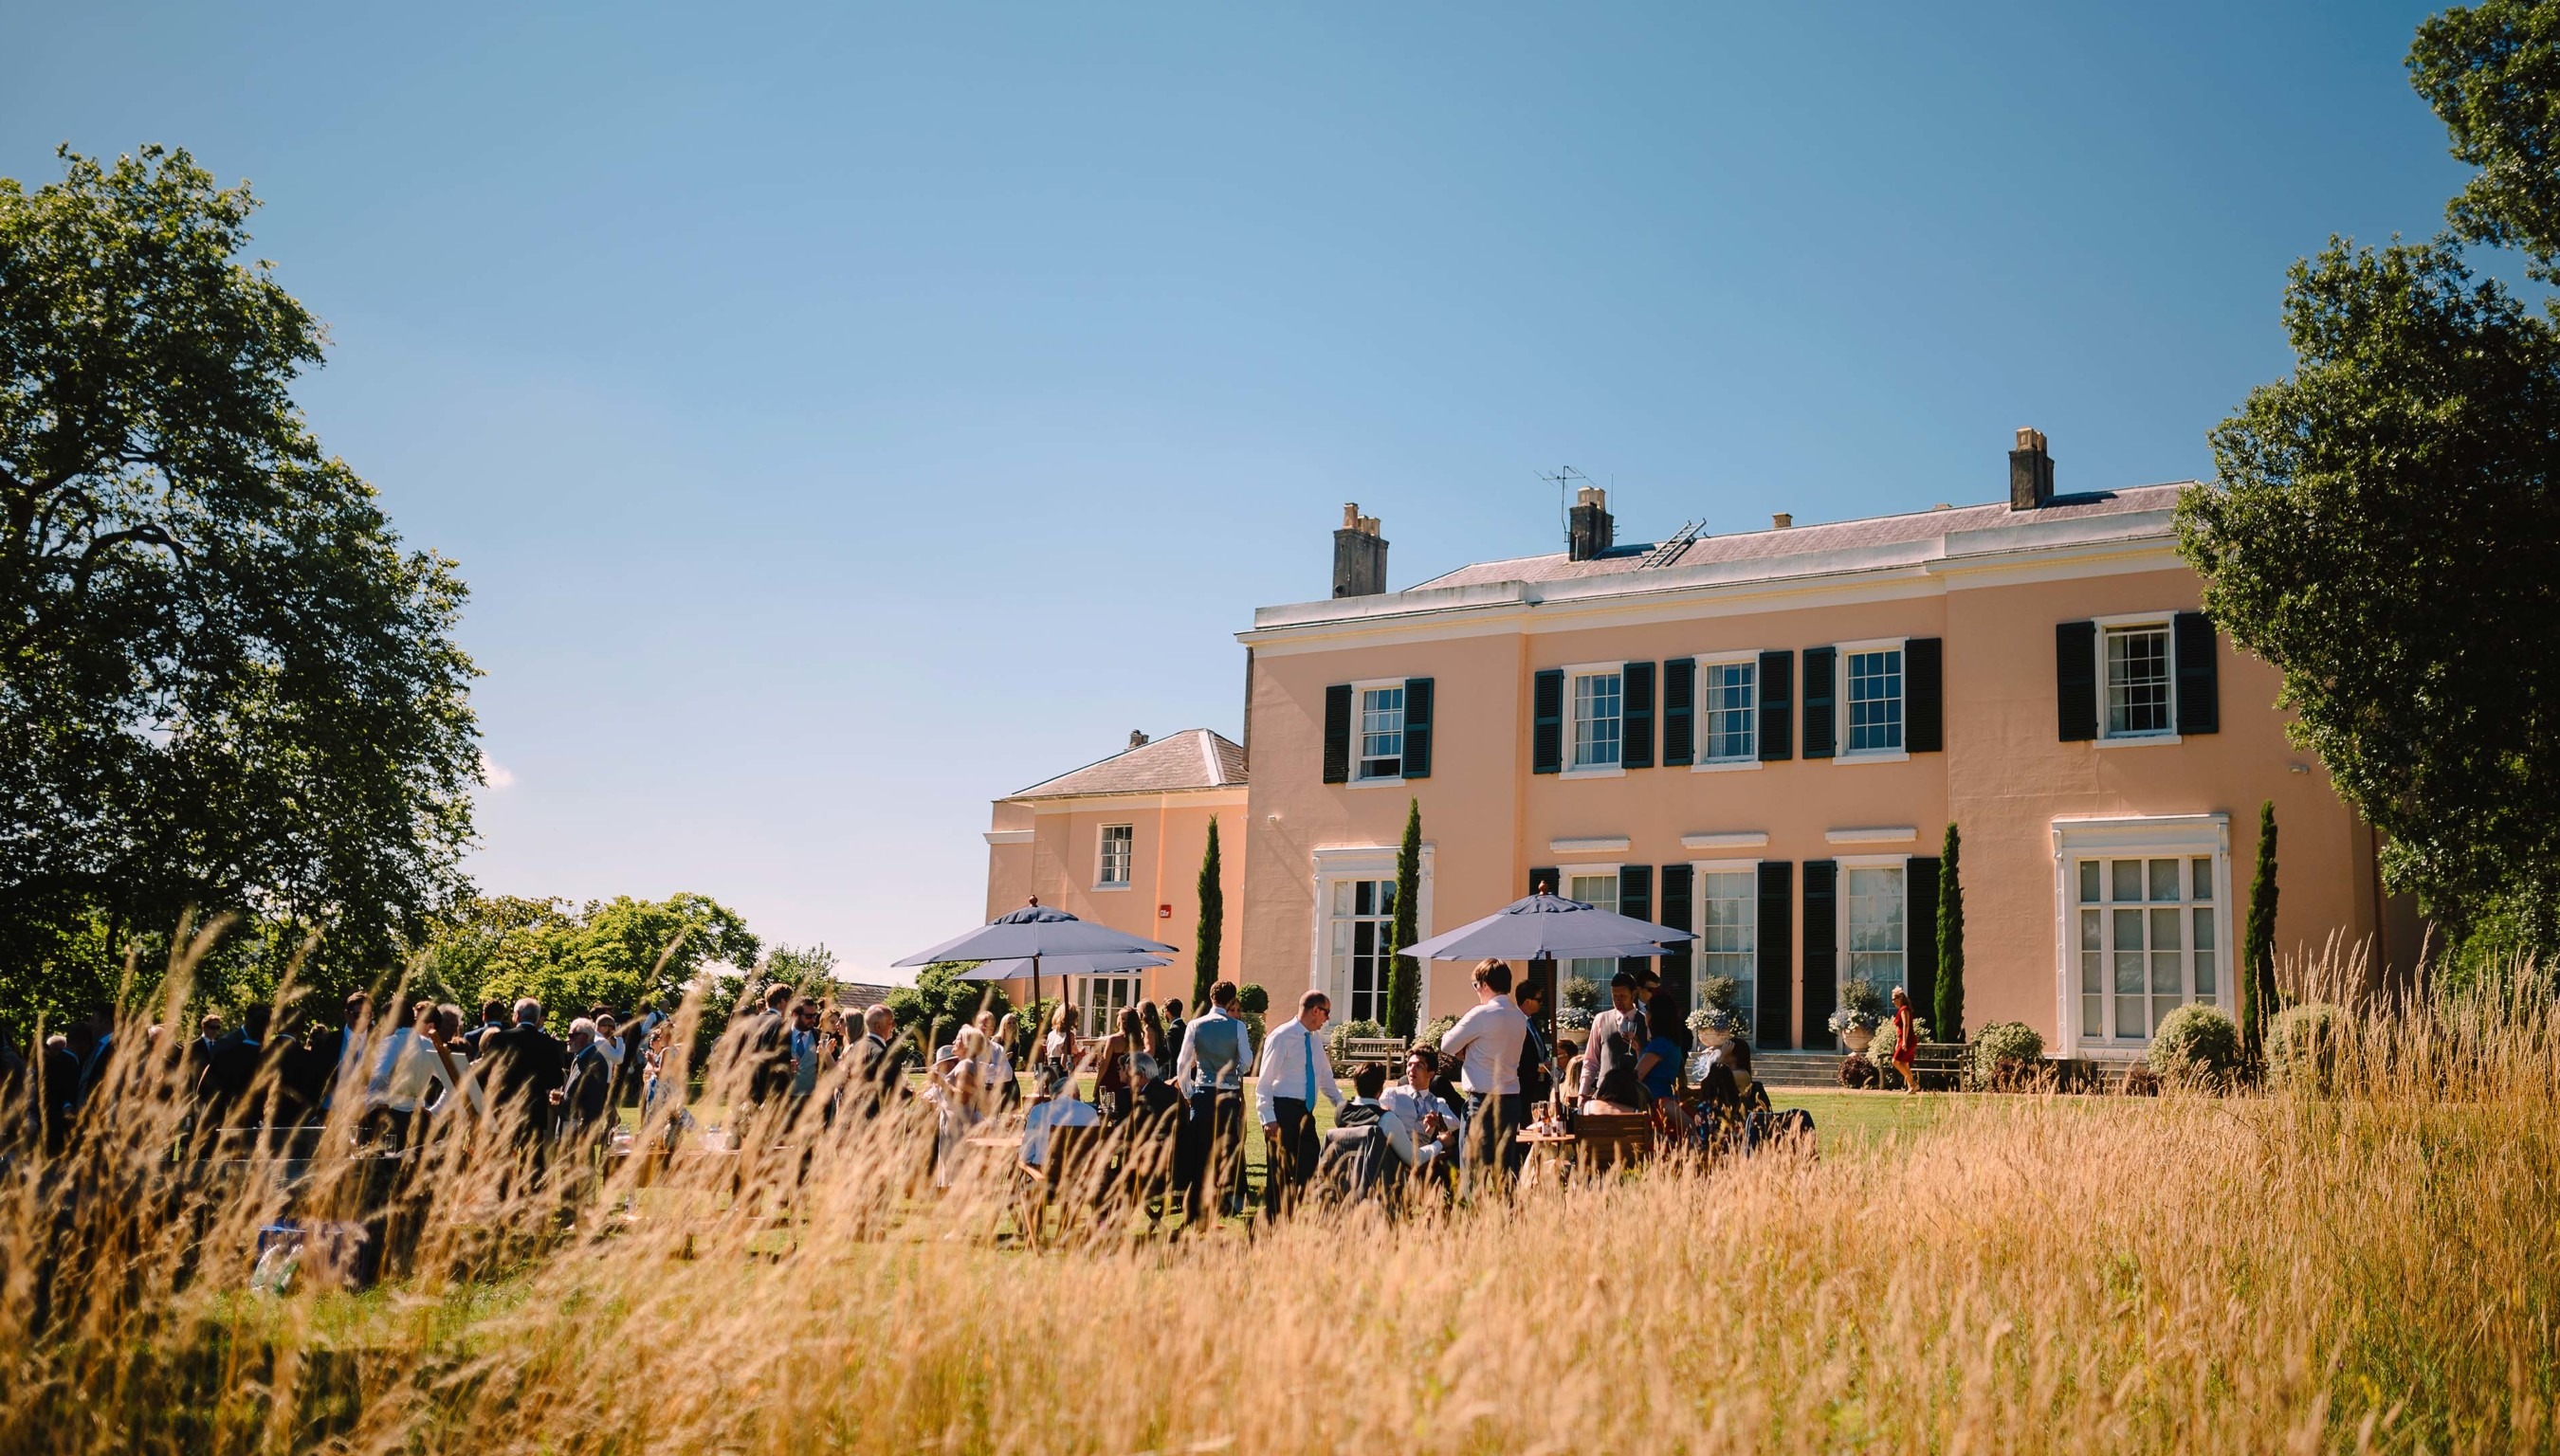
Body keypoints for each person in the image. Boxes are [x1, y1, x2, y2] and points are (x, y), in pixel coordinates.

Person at [1438, 959, 1530, 1193]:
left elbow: (1446, 1043)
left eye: (1475, 985)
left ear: (1484, 984)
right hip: (1510, 1099)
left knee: (1472, 1170)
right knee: (1506, 1170)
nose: (1476, 991)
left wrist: (1467, 1050)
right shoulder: (1519, 1018)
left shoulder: (1482, 1014)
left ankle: (1472, 1222)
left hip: (1482, 1102)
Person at [1173, 979, 1255, 1225]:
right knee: (1227, 1148)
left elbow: (1182, 1063)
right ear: (1231, 1000)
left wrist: (1189, 1092)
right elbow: (1248, 1061)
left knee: (1201, 1151)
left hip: (1204, 1092)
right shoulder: (1237, 1026)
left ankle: (1198, 1202)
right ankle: (1225, 1199)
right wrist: (1235, 1072)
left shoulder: (1196, 1025)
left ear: (1211, 998)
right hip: (1228, 1092)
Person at [1255, 989, 1342, 1219]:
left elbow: (1324, 1077)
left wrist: (1342, 1106)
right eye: (1326, 1013)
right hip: (1282, 1112)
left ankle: (1293, 1215)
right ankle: (1272, 1226)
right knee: (1279, 1176)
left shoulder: (1313, 1039)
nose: (1327, 1019)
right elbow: (1264, 1081)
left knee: (1310, 1171)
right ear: (1315, 1010)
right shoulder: (1281, 1036)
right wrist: (1268, 1118)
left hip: (1305, 1114)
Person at [1312, 1061, 1411, 1207]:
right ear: (1381, 1089)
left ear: (1355, 1085)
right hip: (1378, 1194)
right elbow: (1413, 1159)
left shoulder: (1341, 1112)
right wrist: (1439, 1143)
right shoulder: (1386, 1119)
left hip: (1344, 1189)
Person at [483, 999, 570, 1162]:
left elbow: (485, 1072)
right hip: (534, 1110)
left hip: (504, 1107)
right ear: (538, 1019)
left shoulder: (501, 1039)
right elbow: (555, 1080)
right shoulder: (549, 1044)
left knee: (502, 1159)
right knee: (533, 1161)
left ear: (516, 1016)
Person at [1381, 1046, 1463, 1187]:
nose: (1411, 1070)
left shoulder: (1438, 1102)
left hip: (1422, 1157)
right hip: (1393, 1156)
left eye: (1419, 1066)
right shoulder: (1392, 1094)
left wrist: (1438, 1120)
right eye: (1410, 1065)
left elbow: (1456, 1122)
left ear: (1430, 1074)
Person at [1579, 972, 1645, 1106]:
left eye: (1622, 996)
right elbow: (1591, 1060)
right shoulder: (1601, 1020)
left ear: (1633, 995)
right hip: (1605, 1095)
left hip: (1636, 1095)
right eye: (1615, 996)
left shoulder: (1646, 1022)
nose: (1618, 1000)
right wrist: (1582, 1092)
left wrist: (1639, 1048)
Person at [1019, 1065, 1101, 1169]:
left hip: (1046, 1174)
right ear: (1076, 1094)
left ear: (1054, 1096)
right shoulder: (1090, 1112)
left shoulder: (1039, 1111)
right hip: (1081, 1174)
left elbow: (1026, 1154)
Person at [1637, 990, 1689, 1135]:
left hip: (1656, 1102)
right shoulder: (1671, 1042)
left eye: (1648, 1011)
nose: (1646, 1014)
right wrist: (1639, 1049)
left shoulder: (1659, 1044)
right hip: (1667, 1098)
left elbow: (1637, 1075)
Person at [1514, 979, 1555, 1117]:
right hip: (1523, 1085)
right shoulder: (1515, 1022)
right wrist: (1536, 1066)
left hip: (1538, 1084)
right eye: (1539, 999)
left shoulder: (1532, 1021)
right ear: (1527, 1001)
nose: (1541, 1003)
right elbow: (1517, 1055)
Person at [1095, 1006, 1138, 1121]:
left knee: (1105, 1115)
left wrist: (1096, 1085)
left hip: (1110, 1081)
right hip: (1129, 1082)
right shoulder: (1138, 1042)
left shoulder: (1113, 1040)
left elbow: (1104, 1065)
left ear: (1121, 1020)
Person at [1890, 985, 1920, 1095]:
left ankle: (1913, 1085)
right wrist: (1898, 1042)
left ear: (1900, 998)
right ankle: (1911, 1087)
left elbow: (1906, 1025)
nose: (1893, 1002)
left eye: (1894, 999)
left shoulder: (1904, 1010)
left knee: (1895, 1061)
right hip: (1903, 1039)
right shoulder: (1901, 1010)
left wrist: (1905, 1041)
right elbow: (1899, 1029)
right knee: (1904, 1063)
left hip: (1908, 1039)